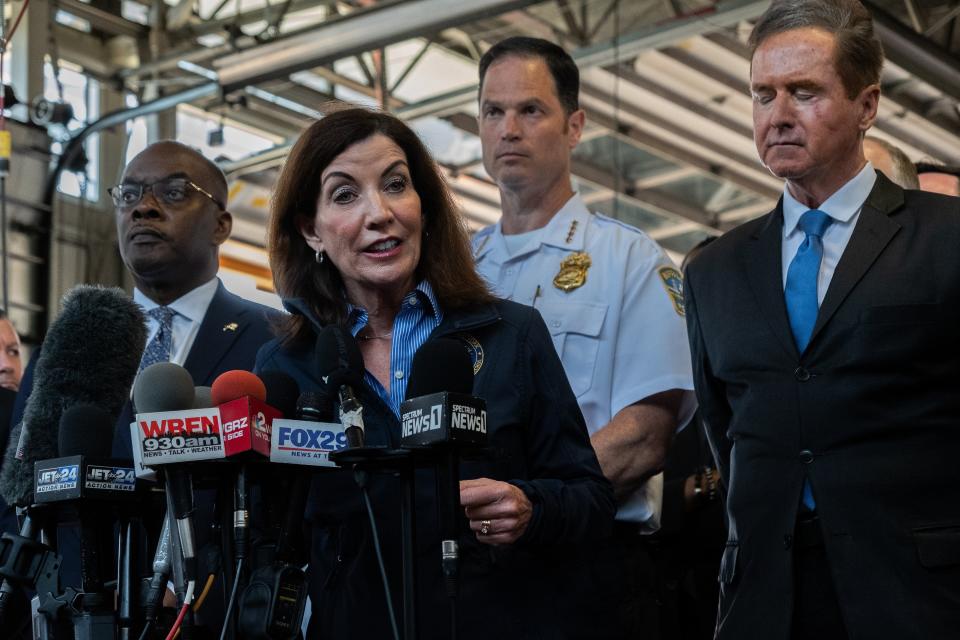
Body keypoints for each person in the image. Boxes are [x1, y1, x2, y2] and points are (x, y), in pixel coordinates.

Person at [255, 106, 616, 639]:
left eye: (396, 184)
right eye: (345, 194)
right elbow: (273, 533)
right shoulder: (287, 365)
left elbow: (590, 497)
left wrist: (530, 507)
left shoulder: (511, 335)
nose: (380, 212)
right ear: (311, 230)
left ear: (423, 206)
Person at [683, 1, 960, 639]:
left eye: (804, 92)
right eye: (762, 95)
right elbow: (728, 433)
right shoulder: (714, 271)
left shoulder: (944, 238)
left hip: (919, 594)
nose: (777, 116)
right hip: (764, 600)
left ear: (867, 106)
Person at [470, 36, 694, 637]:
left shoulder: (632, 260)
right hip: (471, 570)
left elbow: (645, 435)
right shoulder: (454, 273)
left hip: (588, 568)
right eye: (494, 111)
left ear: (574, 127)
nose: (508, 128)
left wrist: (530, 501)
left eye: (530, 110)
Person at [9, 140, 279, 636]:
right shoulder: (74, 339)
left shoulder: (274, 340)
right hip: (74, 612)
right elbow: (22, 487)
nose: (143, 207)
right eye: (128, 194)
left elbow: (285, 500)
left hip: (215, 615)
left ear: (221, 223)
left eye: (174, 193)